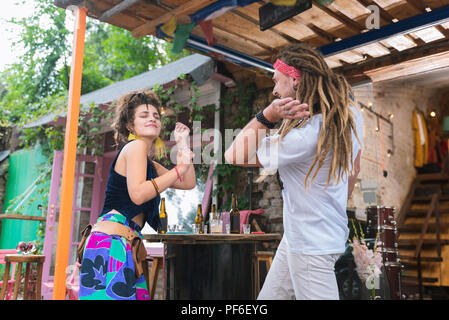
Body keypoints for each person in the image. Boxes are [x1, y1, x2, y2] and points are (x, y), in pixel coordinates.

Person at [224, 43, 363, 300]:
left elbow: (233, 155)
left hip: (310, 244)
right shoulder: (349, 116)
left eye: (277, 81)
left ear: (295, 79)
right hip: (310, 235)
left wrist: (267, 115)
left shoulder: (304, 138)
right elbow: (354, 169)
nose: (275, 90)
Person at [78, 90, 195, 300]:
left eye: (156, 116)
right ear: (130, 126)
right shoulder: (136, 146)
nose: (152, 118)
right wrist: (179, 168)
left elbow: (188, 182)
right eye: (144, 115)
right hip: (113, 241)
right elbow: (139, 194)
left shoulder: (148, 162)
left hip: (124, 241)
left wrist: (183, 145)